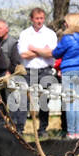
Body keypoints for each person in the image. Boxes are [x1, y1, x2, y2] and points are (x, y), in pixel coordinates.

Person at [16, 7, 57, 135]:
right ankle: (20, 129)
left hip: (45, 70)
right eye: (37, 18)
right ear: (31, 19)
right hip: (28, 71)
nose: (39, 21)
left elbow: (52, 53)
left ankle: (42, 129)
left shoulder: (50, 34)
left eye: (41, 18)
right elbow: (23, 54)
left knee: (44, 101)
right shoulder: (25, 34)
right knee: (24, 100)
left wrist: (33, 49)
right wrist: (42, 51)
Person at [52, 13, 79, 139]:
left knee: (70, 103)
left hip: (68, 70)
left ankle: (70, 133)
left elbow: (56, 53)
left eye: (66, 22)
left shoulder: (67, 37)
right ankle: (78, 133)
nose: (64, 24)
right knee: (77, 103)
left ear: (70, 23)